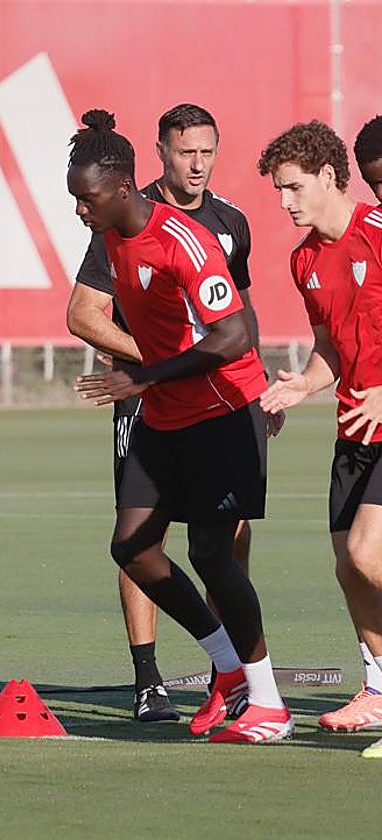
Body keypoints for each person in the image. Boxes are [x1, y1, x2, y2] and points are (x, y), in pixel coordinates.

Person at [68, 109, 291, 743]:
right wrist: (153, 379)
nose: (79, 211)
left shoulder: (185, 241)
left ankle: (270, 704)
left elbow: (232, 335)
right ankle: (228, 670)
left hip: (224, 410)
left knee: (212, 553)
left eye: (85, 200)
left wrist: (146, 376)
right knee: (131, 547)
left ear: (119, 189)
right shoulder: (112, 237)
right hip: (167, 414)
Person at [257, 120, 382, 756]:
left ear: (330, 176)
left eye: (294, 188)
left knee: (368, 552)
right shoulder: (304, 258)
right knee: (348, 566)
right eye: (279, 191)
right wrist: (299, 388)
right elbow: (330, 348)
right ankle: (379, 689)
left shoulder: (380, 231)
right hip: (352, 429)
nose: (285, 202)